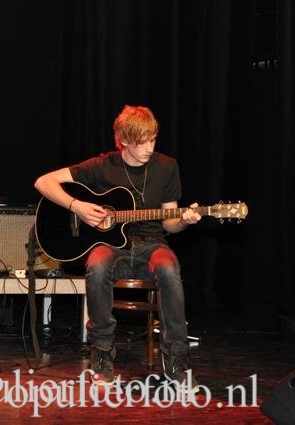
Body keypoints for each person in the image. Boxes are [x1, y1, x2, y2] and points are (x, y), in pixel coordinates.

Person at [34, 105, 201, 391]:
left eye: (152, 139)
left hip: (152, 244)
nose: (149, 148)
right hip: (111, 248)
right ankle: (101, 353)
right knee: (97, 265)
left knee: (169, 268)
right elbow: (43, 182)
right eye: (141, 142)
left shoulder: (166, 166)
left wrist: (184, 221)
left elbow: (170, 224)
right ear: (123, 140)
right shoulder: (102, 166)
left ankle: (176, 361)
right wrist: (77, 206)